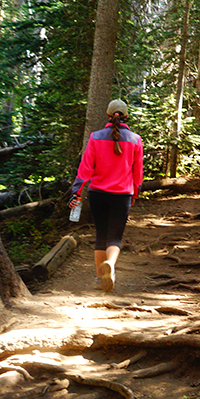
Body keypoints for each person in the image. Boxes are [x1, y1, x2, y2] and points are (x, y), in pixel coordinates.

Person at [69, 99, 143, 292]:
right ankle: (110, 264)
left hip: (97, 194)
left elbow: (85, 168)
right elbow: (138, 172)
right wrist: (135, 193)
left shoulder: (95, 137)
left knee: (101, 235)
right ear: (126, 116)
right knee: (115, 238)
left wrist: (76, 192)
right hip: (122, 195)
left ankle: (99, 277)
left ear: (108, 116)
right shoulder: (136, 139)